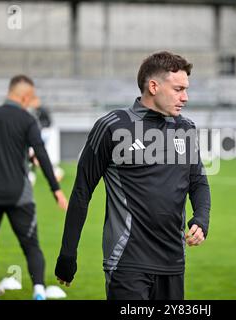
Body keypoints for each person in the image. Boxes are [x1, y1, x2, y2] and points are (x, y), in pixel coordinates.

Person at [54, 51, 211, 300]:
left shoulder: (186, 128)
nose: (185, 97)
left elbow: (198, 181)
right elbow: (82, 191)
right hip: (127, 262)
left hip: (173, 262)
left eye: (186, 89)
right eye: (179, 89)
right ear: (153, 86)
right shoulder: (112, 126)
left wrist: (201, 218)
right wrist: (67, 254)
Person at [0, 75, 68, 300]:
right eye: (30, 97)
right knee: (31, 246)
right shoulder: (27, 120)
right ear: (23, 96)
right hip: (19, 196)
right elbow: (41, 153)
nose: (31, 101)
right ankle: (39, 290)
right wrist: (56, 190)